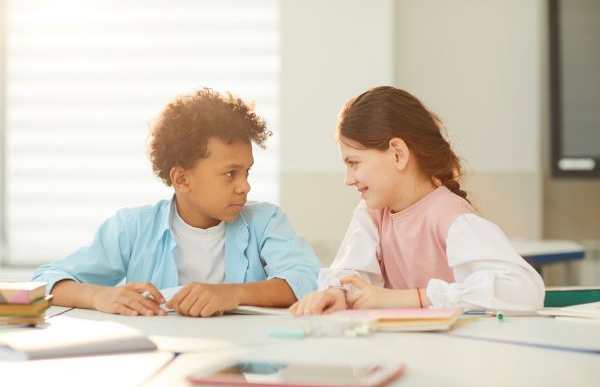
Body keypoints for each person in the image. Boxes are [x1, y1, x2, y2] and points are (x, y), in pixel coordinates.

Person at [32, 88, 320, 317]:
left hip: (241, 356)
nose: (244, 185)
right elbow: (45, 281)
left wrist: (232, 293)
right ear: (182, 179)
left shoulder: (266, 221)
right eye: (230, 173)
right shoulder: (132, 228)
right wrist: (100, 296)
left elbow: (305, 281)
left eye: (247, 172)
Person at [290, 86, 544, 316]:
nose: (348, 179)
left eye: (354, 163)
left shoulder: (449, 216)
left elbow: (525, 291)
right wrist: (338, 294)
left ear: (398, 154)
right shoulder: (372, 214)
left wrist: (416, 298)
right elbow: (351, 272)